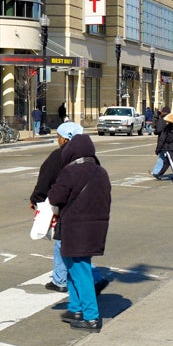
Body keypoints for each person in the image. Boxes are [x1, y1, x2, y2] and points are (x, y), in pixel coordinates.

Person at [47, 131, 112, 333]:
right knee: (74, 267)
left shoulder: (70, 172)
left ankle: (91, 317)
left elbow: (55, 197)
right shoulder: (101, 171)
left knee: (80, 271)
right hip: (95, 227)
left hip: (76, 228)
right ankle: (76, 308)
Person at [33, 121, 81, 296]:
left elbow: (45, 179)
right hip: (88, 206)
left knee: (62, 241)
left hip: (66, 206)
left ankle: (60, 279)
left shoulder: (59, 156)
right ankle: (74, 277)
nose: (58, 140)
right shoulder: (88, 155)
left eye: (59, 137)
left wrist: (37, 199)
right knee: (77, 244)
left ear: (66, 139)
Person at [152, 112, 173, 181]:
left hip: (167, 147)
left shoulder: (166, 128)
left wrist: (158, 149)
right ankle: (159, 174)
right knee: (167, 162)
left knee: (172, 161)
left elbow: (162, 139)